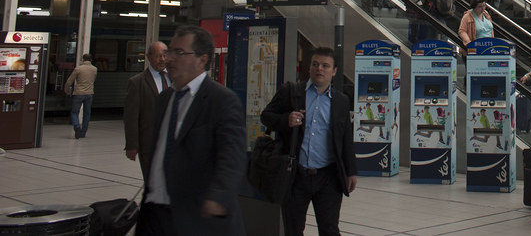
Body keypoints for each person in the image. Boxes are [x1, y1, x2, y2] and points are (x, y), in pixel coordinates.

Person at [137, 25, 246, 236]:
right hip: (155, 215)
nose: (169, 58)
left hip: (197, 217)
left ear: (202, 59)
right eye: (169, 51)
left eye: (179, 52)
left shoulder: (221, 100)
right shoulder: (164, 99)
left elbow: (232, 155)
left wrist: (218, 196)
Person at [260, 47, 357, 236]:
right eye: (315, 64)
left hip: (328, 176)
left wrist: (351, 171)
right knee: (294, 229)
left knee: (329, 229)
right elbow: (266, 116)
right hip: (296, 174)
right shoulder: (291, 92)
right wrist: (286, 120)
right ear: (310, 68)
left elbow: (345, 137)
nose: (319, 69)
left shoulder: (341, 101)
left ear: (334, 71)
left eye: (325, 66)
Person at [124, 42, 169, 180]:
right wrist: (132, 145)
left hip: (173, 144)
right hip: (149, 144)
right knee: (153, 182)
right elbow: (131, 117)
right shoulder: (137, 83)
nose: (162, 59)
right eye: (158, 56)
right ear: (148, 57)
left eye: (165, 55)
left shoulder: (176, 79)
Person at [64, 54, 98, 139]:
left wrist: (67, 90)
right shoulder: (94, 69)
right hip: (89, 93)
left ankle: (76, 126)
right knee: (87, 113)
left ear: (83, 59)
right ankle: (83, 133)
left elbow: (69, 81)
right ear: (91, 60)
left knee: (74, 112)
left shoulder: (78, 69)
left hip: (78, 93)